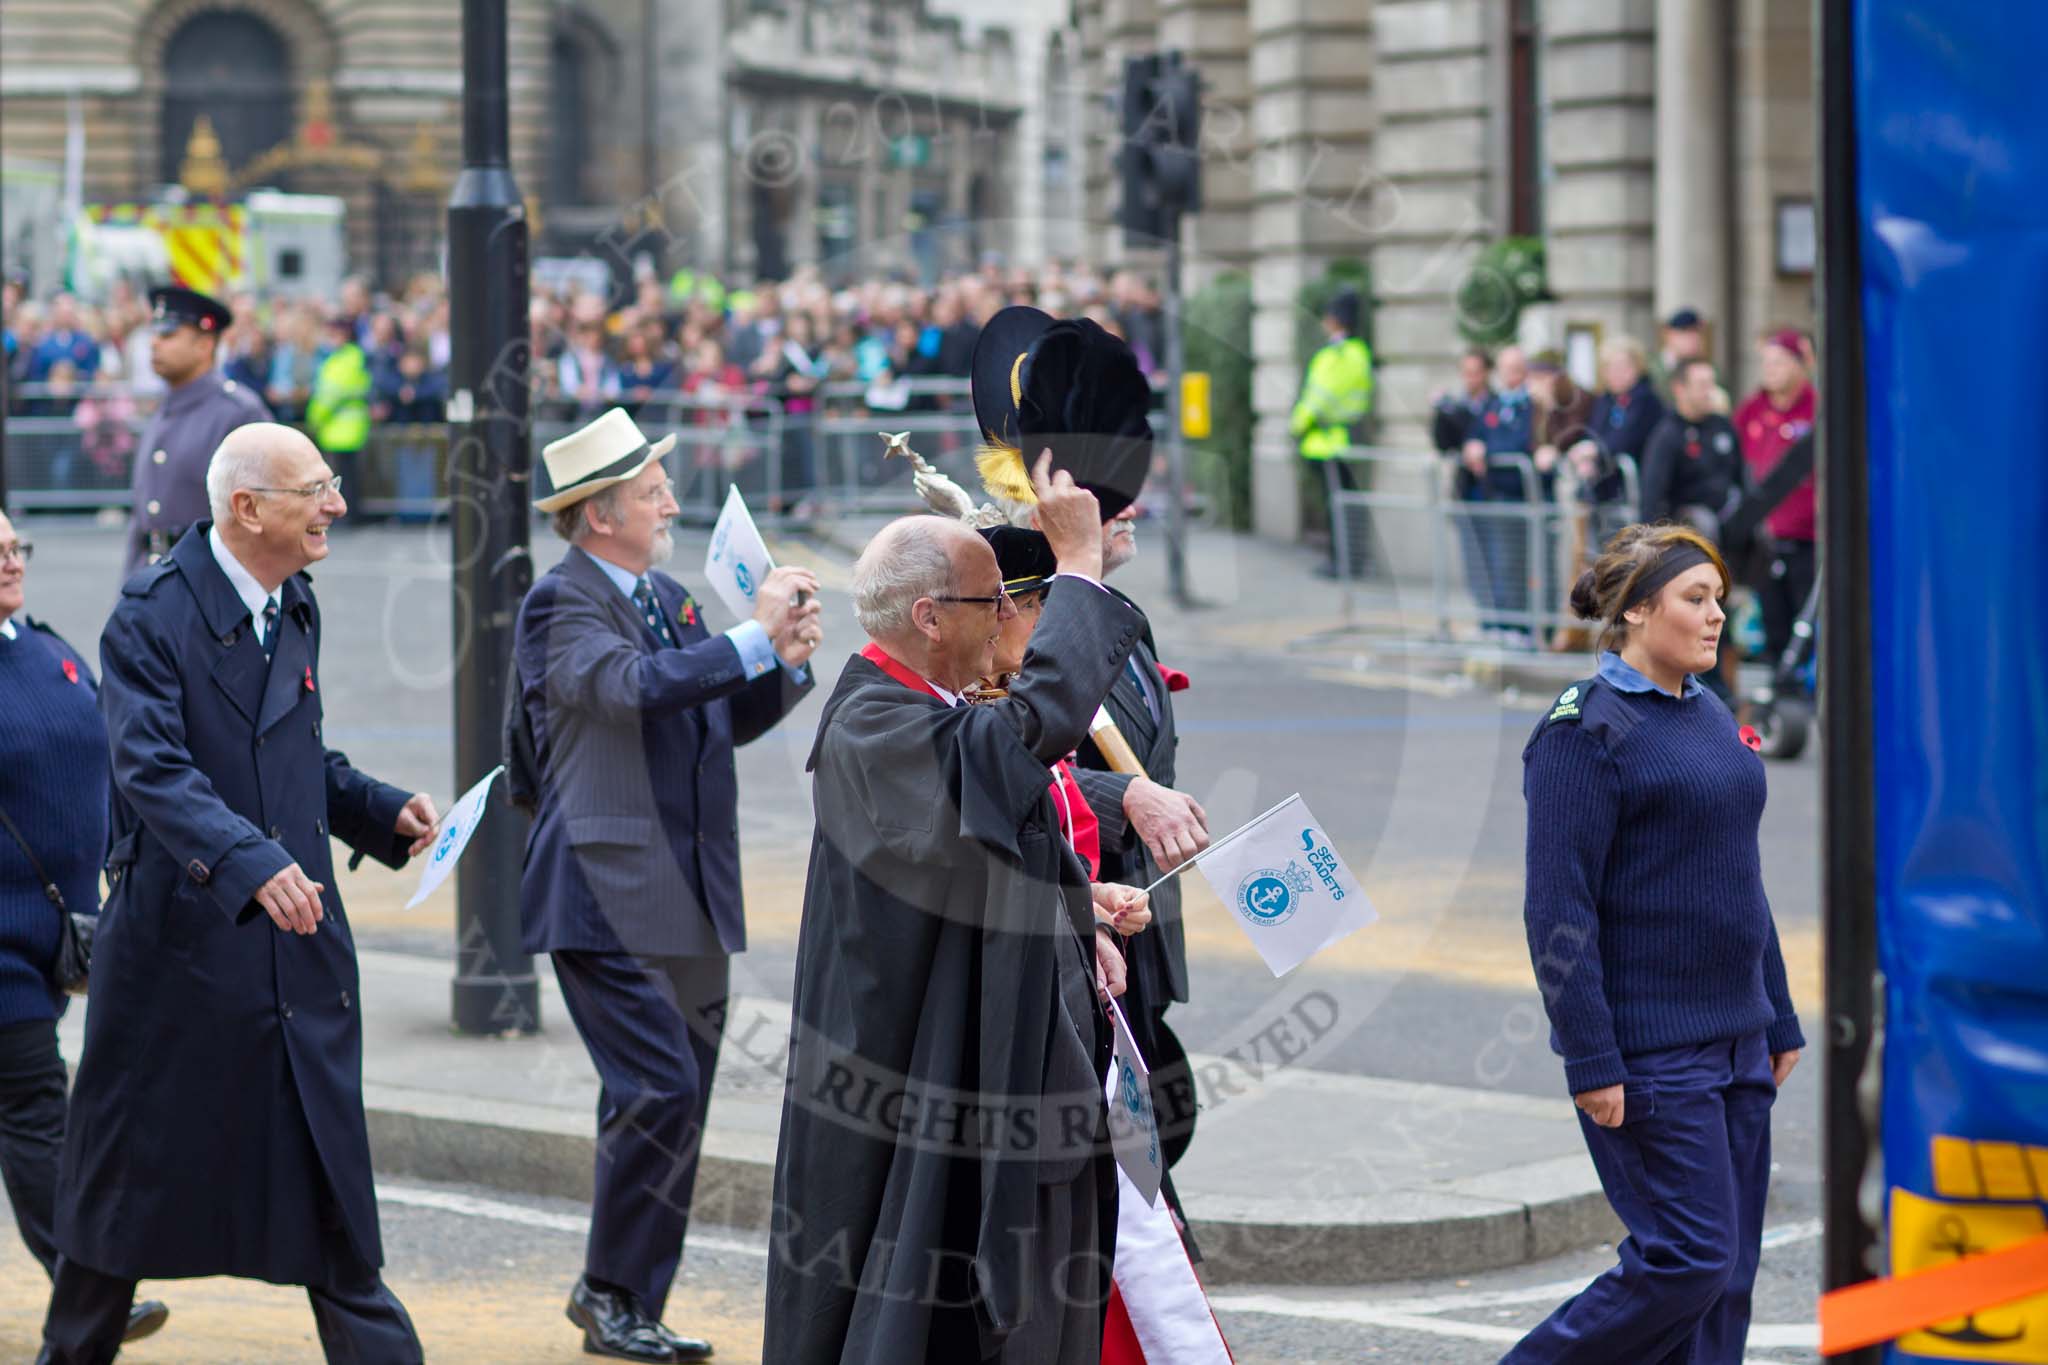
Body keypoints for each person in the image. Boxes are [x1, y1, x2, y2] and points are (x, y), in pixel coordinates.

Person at [41, 424, 440, 1364]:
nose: (337, 505)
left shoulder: (294, 600)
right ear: (247, 507)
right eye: (317, 489)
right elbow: (152, 769)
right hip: (177, 964)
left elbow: (297, 756)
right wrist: (254, 864)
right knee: (113, 1221)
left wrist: (383, 813)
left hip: (288, 957)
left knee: (335, 1215)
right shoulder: (147, 613)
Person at [766, 466, 1139, 1364]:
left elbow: (970, 855)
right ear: (931, 616)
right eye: (993, 603)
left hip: (974, 1064)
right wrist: (1080, 566)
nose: (1010, 620)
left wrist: (1074, 907)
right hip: (914, 1075)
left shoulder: (929, 710)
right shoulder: (874, 722)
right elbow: (1013, 749)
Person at [508, 408, 822, 1364]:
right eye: (652, 492)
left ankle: (625, 1296)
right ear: (599, 514)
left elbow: (712, 716)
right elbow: (630, 689)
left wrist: (784, 660)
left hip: (687, 892)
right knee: (658, 1084)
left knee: (672, 1101)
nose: (670, 503)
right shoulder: (560, 601)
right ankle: (611, 1293)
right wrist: (749, 639)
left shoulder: (666, 596)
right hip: (604, 893)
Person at [1505, 523, 1804, 1365]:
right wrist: (1590, 1057)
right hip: (1651, 1050)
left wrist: (1776, 1014)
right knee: (1688, 1258)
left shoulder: (1706, 708)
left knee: (1728, 1274)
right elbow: (1556, 908)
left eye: (1721, 600)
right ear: (1638, 610)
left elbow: (1735, 875)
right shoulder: (1583, 730)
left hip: (1738, 1037)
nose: (1718, 618)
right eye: (1695, 599)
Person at [0, 517, 171, 1349]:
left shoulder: (42, 646)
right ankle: (89, 1290)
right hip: (2, 950)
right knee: (37, 1112)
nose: (8, 558)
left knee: (37, 1112)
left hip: (57, 934)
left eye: (14, 545)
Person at [125, 286, 270, 575]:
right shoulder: (165, 407)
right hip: (151, 578)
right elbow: (141, 521)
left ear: (205, 345)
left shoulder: (238, 412)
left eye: (168, 335)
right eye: (154, 334)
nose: (154, 343)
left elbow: (264, 518)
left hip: (208, 583)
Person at [1733, 330, 1818, 660]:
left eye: (1779, 362)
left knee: (1807, 627)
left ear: (1800, 365)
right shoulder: (1751, 410)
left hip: (1808, 539)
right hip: (1765, 541)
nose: (1770, 370)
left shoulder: (1817, 409)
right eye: (1766, 363)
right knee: (1772, 628)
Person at [1289, 290, 1375, 577]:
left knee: (1335, 507)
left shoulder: (1334, 355)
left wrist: (1296, 425)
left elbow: (1317, 398)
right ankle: (1349, 560)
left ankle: (1341, 563)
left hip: (1326, 442)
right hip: (1348, 439)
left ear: (1335, 320)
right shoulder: (1361, 353)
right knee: (1346, 505)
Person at [305, 313, 371, 519]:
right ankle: (351, 514)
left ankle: (346, 515)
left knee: (341, 478)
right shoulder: (353, 357)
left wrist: (314, 419)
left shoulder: (343, 360)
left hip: (338, 428)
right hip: (347, 428)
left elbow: (328, 396)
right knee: (349, 476)